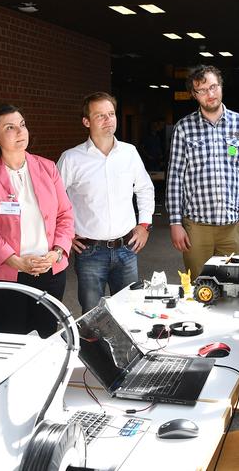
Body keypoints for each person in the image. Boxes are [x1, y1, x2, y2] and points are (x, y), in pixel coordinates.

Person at [0, 104, 74, 338]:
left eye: (22, 125)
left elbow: (65, 215)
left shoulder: (47, 167)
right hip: (4, 272)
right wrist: (15, 261)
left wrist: (57, 253)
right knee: (10, 340)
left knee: (46, 337)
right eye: (10, 127)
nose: (20, 131)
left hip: (49, 269)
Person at [57, 92, 155, 313]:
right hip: (90, 251)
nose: (108, 120)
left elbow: (145, 189)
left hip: (127, 248)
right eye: (100, 115)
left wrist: (144, 225)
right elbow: (53, 201)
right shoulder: (71, 158)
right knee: (92, 316)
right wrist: (66, 234)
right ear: (86, 121)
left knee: (131, 312)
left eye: (111, 114)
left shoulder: (129, 153)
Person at [166, 65, 239, 276]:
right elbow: (175, 178)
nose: (210, 94)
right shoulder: (184, 128)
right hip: (196, 227)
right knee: (199, 287)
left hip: (232, 227)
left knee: (236, 284)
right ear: (194, 94)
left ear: (221, 86)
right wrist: (175, 222)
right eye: (202, 90)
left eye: (213, 87)